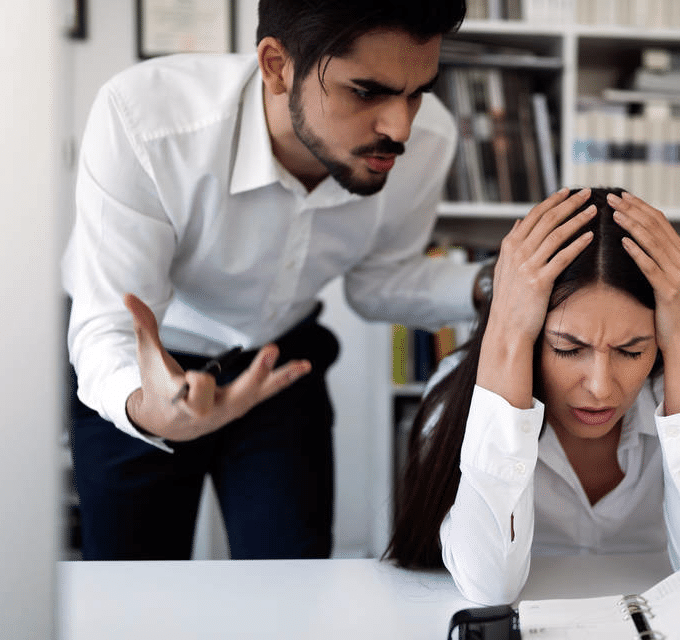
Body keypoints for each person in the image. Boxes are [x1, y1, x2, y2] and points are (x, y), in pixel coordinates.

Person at [62, 0, 482, 560]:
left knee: (292, 586)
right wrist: (146, 406)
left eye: (416, 91)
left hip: (280, 367)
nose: (399, 127)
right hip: (145, 369)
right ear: (277, 66)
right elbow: (107, 325)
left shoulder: (429, 140)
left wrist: (494, 284)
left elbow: (379, 282)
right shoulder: (146, 120)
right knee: (130, 590)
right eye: (366, 91)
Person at [386, 187, 680, 605]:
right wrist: (505, 334)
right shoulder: (454, 391)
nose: (600, 387)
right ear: (528, 334)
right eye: (567, 348)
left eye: (632, 350)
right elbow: (488, 586)